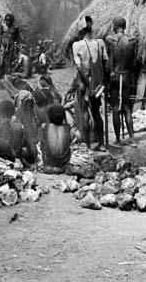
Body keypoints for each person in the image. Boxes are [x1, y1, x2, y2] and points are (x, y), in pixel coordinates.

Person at [72, 15, 108, 151]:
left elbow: (79, 67)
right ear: (91, 27)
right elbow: (106, 63)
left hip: (83, 83)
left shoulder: (77, 45)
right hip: (98, 84)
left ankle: (87, 145)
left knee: (84, 113)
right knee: (97, 113)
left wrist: (88, 84)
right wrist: (101, 83)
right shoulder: (100, 43)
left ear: (81, 30)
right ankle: (102, 144)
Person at [105, 17, 137, 147]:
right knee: (127, 108)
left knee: (115, 109)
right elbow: (133, 61)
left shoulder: (110, 40)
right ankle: (132, 139)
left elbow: (108, 60)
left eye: (113, 25)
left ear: (116, 26)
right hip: (127, 76)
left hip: (115, 77)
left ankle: (118, 140)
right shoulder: (133, 40)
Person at [40, 104, 71, 174]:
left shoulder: (44, 126)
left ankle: (49, 166)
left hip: (49, 162)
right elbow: (70, 141)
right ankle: (60, 168)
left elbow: (43, 143)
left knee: (43, 142)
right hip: (63, 163)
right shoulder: (67, 127)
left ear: (49, 116)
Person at [0, 13, 20, 78]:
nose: (8, 22)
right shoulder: (2, 26)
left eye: (9, 21)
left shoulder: (15, 28)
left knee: (9, 62)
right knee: (2, 62)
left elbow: (16, 36)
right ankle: (1, 75)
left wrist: (14, 42)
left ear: (12, 21)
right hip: (3, 45)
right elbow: (0, 35)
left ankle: (8, 76)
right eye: (7, 20)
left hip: (11, 45)